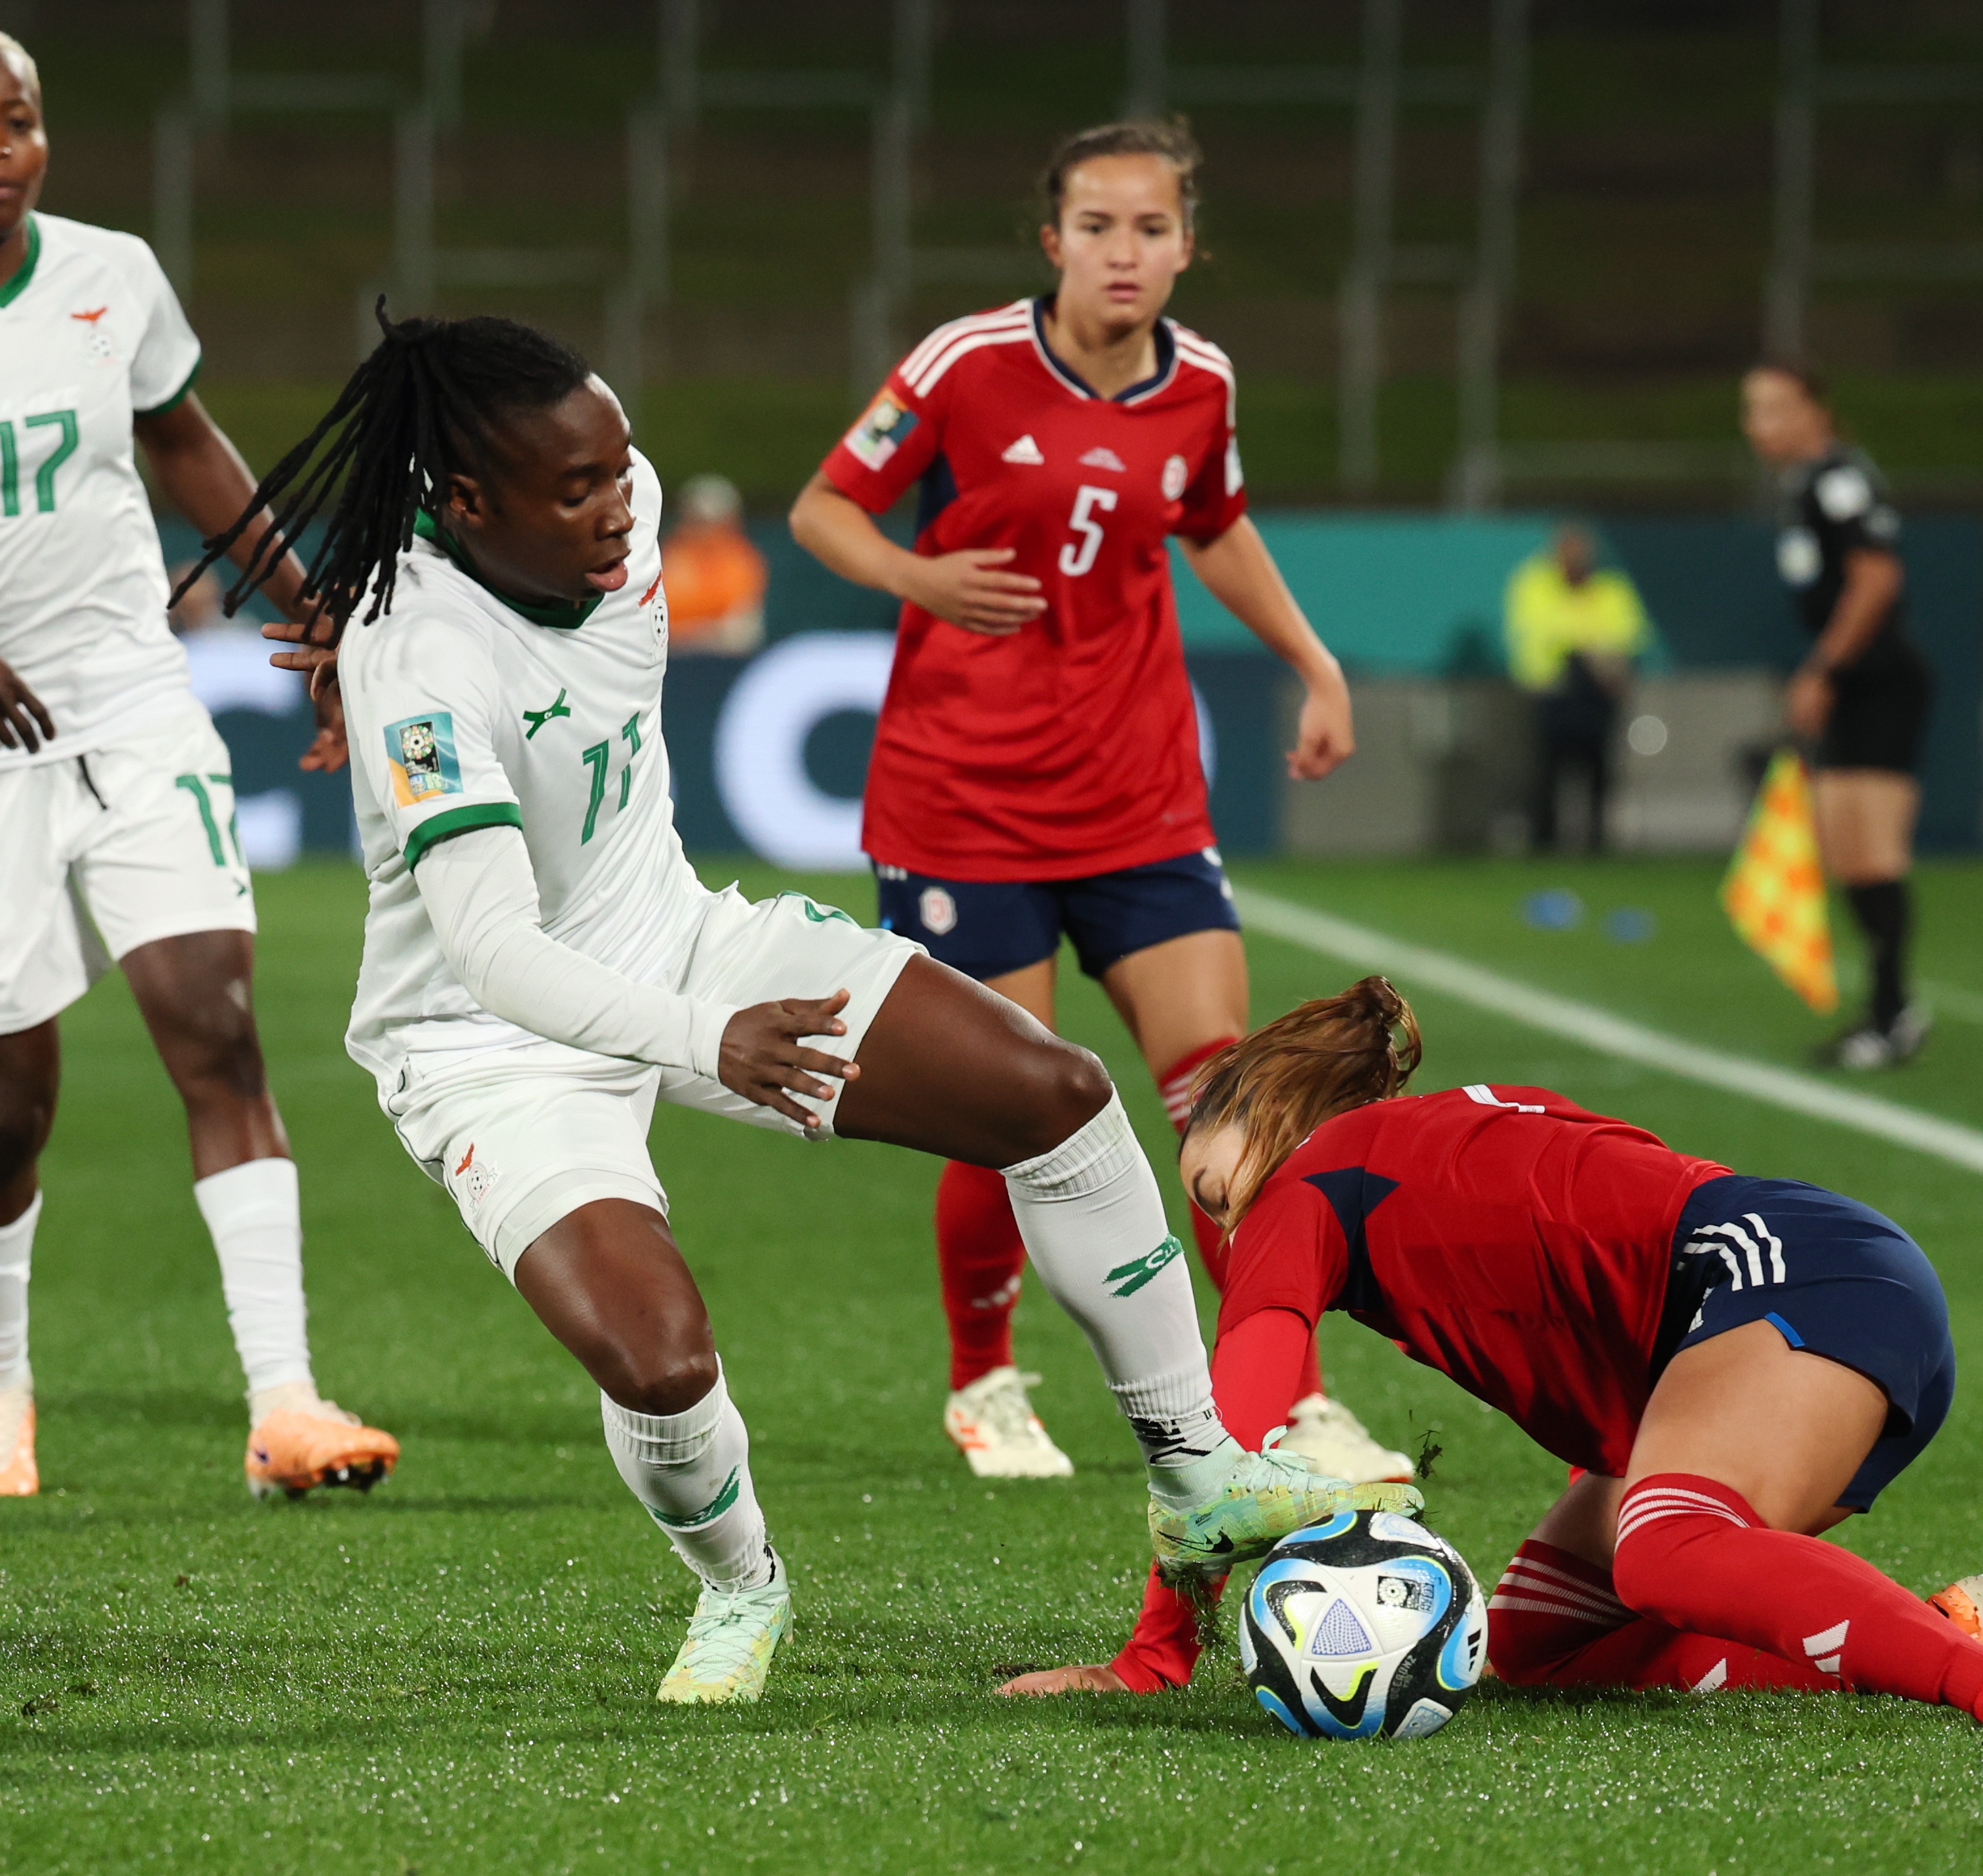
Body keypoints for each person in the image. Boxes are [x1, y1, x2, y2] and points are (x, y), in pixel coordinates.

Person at [204, 307, 1415, 1704]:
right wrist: (701, 1040)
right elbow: (489, 950)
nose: (616, 506)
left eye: (618, 466)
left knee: (1055, 1095)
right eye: (574, 487)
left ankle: (1197, 1471)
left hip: (675, 935)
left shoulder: (618, 506)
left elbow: (567, 540)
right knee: (657, 1359)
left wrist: (699, 1003)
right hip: (493, 1043)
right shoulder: (418, 660)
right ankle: (741, 1587)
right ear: (468, 504)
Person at [0, 24, 396, 1501]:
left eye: (17, 121)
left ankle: (283, 1400)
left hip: (127, 698)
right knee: (5, 1106)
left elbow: (188, 447)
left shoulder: (114, 274)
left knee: (216, 1029)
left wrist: (317, 614)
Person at [998, 978, 1983, 1730]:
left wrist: (1155, 1652)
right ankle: (1928, 1630)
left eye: (1211, 1184)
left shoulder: (1310, 1180)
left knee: (1668, 1551)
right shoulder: (1439, 1132)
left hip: (1782, 1282)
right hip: (1796, 1294)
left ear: (1266, 1109)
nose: (1226, 1233)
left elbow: (1220, 1440)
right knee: (1544, 1649)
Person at [787, 118, 1408, 1487]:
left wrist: (1311, 660)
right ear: (1051, 238)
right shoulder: (965, 364)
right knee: (1009, 1097)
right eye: (1096, 226)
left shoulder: (1202, 385)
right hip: (965, 801)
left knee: (1228, 1094)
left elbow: (1214, 525)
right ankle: (985, 1384)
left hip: (1138, 797)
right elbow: (823, 508)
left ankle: (1279, 1397)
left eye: (1149, 228)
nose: (1122, 252)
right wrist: (919, 578)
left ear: (1186, 246)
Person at [1741, 363, 1931, 1071]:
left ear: (1816, 410)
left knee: (1873, 849)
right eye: (1753, 410)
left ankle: (1892, 1013)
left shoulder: (1839, 480)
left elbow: (1878, 577)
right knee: (1844, 847)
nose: (1759, 424)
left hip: (1881, 681)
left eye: (1774, 408)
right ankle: (1889, 1010)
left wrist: (1825, 669)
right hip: (1855, 684)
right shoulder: (1803, 486)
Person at [1505, 520, 1657, 855]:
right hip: (1553, 690)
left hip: (1597, 693)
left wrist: (1606, 661)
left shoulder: (1611, 589)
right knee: (1549, 768)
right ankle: (1543, 842)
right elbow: (1539, 630)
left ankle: (1596, 842)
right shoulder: (1535, 584)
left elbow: (1630, 634)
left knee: (1599, 767)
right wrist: (1589, 646)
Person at [658, 472, 767, 655]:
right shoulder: (672, 556)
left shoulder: (742, 560)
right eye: (698, 520)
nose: (705, 529)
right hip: (672, 656)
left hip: (723, 659)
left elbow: (741, 628)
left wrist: (699, 633)